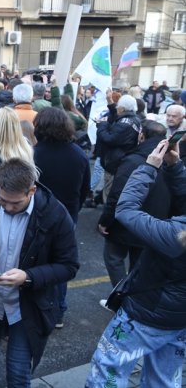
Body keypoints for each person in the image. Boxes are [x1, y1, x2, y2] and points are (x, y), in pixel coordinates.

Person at [0, 158, 79, 388]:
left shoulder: (55, 214)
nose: (7, 207)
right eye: (3, 201)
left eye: (15, 203)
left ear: (32, 191)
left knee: (18, 372)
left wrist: (29, 277)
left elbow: (69, 266)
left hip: (28, 305)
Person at [87, 140, 186, 387]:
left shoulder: (177, 235)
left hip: (147, 313)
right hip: (180, 320)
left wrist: (148, 167)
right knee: (164, 378)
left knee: (109, 367)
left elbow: (127, 210)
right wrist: (175, 168)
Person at [32, 107, 90, 328]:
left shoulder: (34, 153)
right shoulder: (79, 154)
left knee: (37, 262)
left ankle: (39, 308)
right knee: (62, 262)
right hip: (68, 215)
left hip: (39, 215)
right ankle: (58, 310)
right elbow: (84, 189)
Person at [97, 120, 169, 288]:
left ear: (141, 135)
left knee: (114, 258)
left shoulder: (133, 160)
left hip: (126, 222)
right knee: (139, 263)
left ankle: (120, 298)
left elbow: (116, 194)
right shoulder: (171, 160)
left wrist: (105, 221)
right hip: (153, 224)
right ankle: (131, 297)